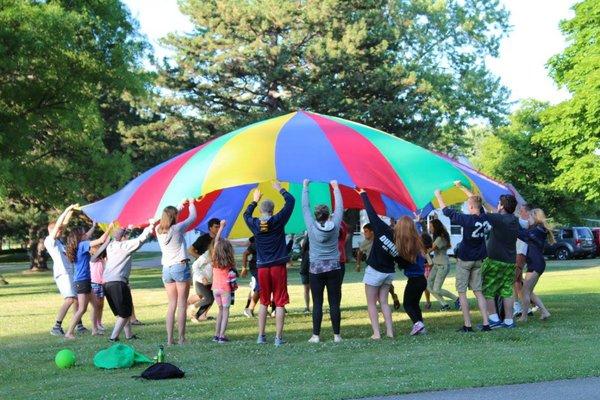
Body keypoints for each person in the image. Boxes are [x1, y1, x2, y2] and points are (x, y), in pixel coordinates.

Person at [243, 181, 295, 347]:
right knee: (279, 302)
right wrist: (280, 189)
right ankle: (278, 338)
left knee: (264, 301)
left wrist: (254, 200)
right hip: (278, 266)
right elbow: (291, 201)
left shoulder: (255, 224)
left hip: (262, 267)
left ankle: (261, 336)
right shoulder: (278, 220)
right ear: (272, 211)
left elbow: (246, 215)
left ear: (260, 211)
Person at [436, 186, 491, 332]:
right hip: (479, 260)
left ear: (471, 207)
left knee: (462, 292)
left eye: (468, 205)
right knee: (478, 291)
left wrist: (438, 195)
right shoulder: (484, 218)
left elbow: (447, 211)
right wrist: (461, 187)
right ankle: (486, 323)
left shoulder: (467, 220)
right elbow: (476, 201)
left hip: (465, 259)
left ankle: (467, 324)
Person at [468, 187, 520, 329]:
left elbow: (481, 209)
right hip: (510, 261)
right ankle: (509, 321)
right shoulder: (515, 220)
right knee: (506, 290)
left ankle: (493, 319)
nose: (497, 205)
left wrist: (471, 193)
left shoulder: (499, 219)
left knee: (486, 289)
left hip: (495, 261)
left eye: (498, 203)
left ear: (501, 206)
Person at [302, 179, 344, 343]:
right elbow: (340, 208)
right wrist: (336, 188)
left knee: (317, 302)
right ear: (328, 215)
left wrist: (305, 187)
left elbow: (305, 207)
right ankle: (337, 335)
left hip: (316, 270)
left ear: (316, 215)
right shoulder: (335, 224)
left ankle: (316, 335)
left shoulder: (311, 226)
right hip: (334, 267)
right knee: (334, 302)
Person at [102, 222, 154, 341]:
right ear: (123, 238)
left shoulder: (111, 245)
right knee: (125, 313)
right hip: (117, 283)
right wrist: (150, 226)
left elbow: (121, 234)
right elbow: (141, 240)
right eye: (127, 236)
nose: (128, 238)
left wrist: (128, 228)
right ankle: (113, 337)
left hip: (107, 283)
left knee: (126, 310)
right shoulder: (124, 247)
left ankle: (129, 335)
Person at [155, 198, 197, 345]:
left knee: (172, 304)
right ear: (174, 217)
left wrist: (180, 205)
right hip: (180, 267)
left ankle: (169, 339)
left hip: (166, 269)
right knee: (182, 303)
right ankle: (181, 338)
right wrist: (191, 203)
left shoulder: (158, 230)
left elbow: (170, 216)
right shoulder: (177, 229)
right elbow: (193, 217)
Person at [357, 189, 397, 339]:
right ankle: (390, 332)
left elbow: (371, 212)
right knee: (385, 303)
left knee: (372, 303)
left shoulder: (381, 228)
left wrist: (363, 194)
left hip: (375, 271)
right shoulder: (400, 240)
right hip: (389, 273)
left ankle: (376, 333)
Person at [64, 222, 112, 339]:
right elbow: (101, 239)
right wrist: (110, 228)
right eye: (84, 233)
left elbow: (88, 236)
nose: (87, 234)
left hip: (84, 280)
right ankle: (69, 332)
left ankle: (95, 330)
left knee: (96, 304)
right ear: (80, 236)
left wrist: (94, 226)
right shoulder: (83, 245)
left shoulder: (79, 244)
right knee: (82, 309)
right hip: (82, 281)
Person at [45, 204, 84, 336]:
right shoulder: (50, 241)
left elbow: (64, 224)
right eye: (58, 230)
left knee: (77, 298)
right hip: (62, 274)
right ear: (52, 231)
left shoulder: (59, 242)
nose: (61, 231)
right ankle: (56, 326)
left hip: (69, 272)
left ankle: (78, 324)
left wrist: (71, 212)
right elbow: (59, 226)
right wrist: (66, 209)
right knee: (69, 299)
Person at [518, 209, 554, 322]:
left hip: (536, 263)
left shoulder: (538, 229)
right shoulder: (537, 228)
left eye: (529, 216)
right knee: (529, 291)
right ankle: (544, 312)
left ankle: (524, 317)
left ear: (535, 216)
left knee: (525, 291)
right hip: (535, 263)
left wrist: (511, 224)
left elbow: (523, 235)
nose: (528, 218)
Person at [394, 216, 428, 335]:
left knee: (407, 304)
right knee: (415, 304)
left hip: (414, 280)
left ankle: (418, 324)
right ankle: (421, 324)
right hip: (422, 279)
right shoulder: (417, 241)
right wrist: (418, 222)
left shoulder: (405, 246)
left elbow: (402, 262)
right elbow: (418, 231)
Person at [210, 220, 236, 343]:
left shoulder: (214, 259)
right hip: (225, 289)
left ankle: (216, 335)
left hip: (215, 289)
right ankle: (222, 335)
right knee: (225, 311)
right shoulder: (229, 263)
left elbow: (216, 241)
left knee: (220, 310)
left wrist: (221, 227)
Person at [426, 219, 459, 311]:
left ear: (436, 227)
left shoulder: (441, 238)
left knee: (436, 289)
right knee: (428, 285)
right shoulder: (437, 237)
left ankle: (457, 299)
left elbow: (430, 250)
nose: (430, 228)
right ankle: (444, 305)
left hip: (442, 265)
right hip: (436, 264)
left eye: (431, 226)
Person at [514, 204, 532, 317]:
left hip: (520, 253)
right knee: (518, 281)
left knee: (513, 279)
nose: (520, 212)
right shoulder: (525, 221)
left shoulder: (525, 222)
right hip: (519, 252)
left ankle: (516, 305)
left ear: (528, 212)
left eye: (522, 211)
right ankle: (526, 307)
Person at [189, 244, 214, 323]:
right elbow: (194, 266)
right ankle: (192, 306)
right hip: (200, 280)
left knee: (211, 298)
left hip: (211, 281)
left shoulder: (222, 255)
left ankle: (199, 316)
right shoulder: (206, 255)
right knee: (208, 298)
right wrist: (202, 277)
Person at [90, 241, 108, 335]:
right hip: (94, 284)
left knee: (101, 305)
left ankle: (99, 323)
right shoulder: (92, 259)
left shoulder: (102, 259)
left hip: (102, 284)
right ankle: (95, 325)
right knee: (95, 306)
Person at [242, 236, 260, 317]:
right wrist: (244, 268)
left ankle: (264, 308)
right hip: (256, 267)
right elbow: (245, 253)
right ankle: (249, 309)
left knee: (262, 287)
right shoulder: (257, 240)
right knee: (260, 287)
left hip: (264, 266)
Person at [420, 231, 433, 310]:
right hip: (424, 269)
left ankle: (428, 302)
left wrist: (423, 265)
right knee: (425, 288)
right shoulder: (424, 249)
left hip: (426, 270)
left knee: (426, 287)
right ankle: (428, 302)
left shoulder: (425, 251)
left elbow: (430, 263)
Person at [298, 234, 311, 314]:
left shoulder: (304, 252)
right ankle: (309, 307)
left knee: (306, 290)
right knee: (311, 289)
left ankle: (307, 307)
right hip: (307, 269)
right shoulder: (305, 252)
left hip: (305, 269)